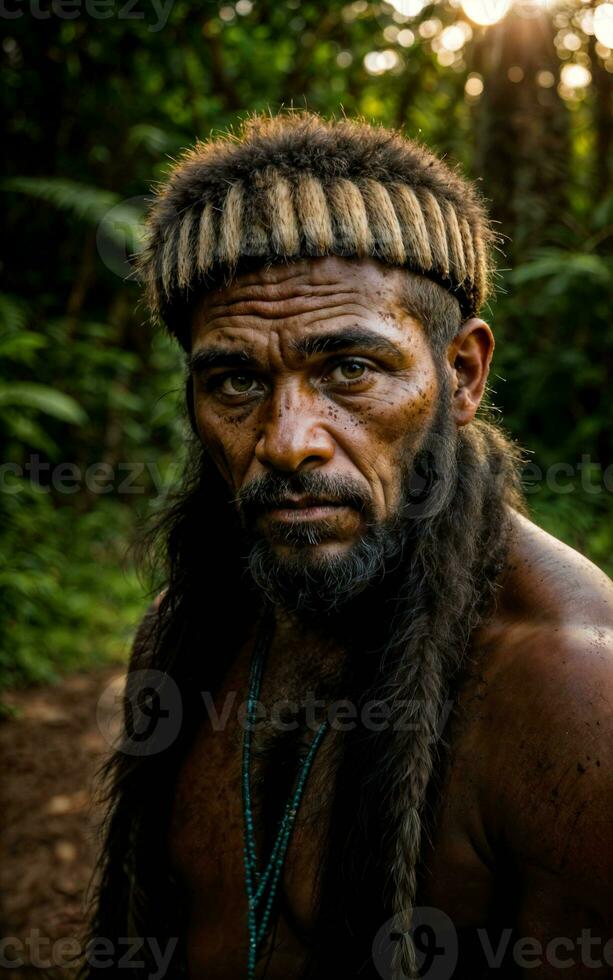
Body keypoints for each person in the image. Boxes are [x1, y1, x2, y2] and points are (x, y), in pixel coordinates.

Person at [85, 113, 613, 979]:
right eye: (236, 380)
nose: (288, 439)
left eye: (349, 370)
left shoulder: (569, 686)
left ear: (462, 374)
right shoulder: (183, 636)